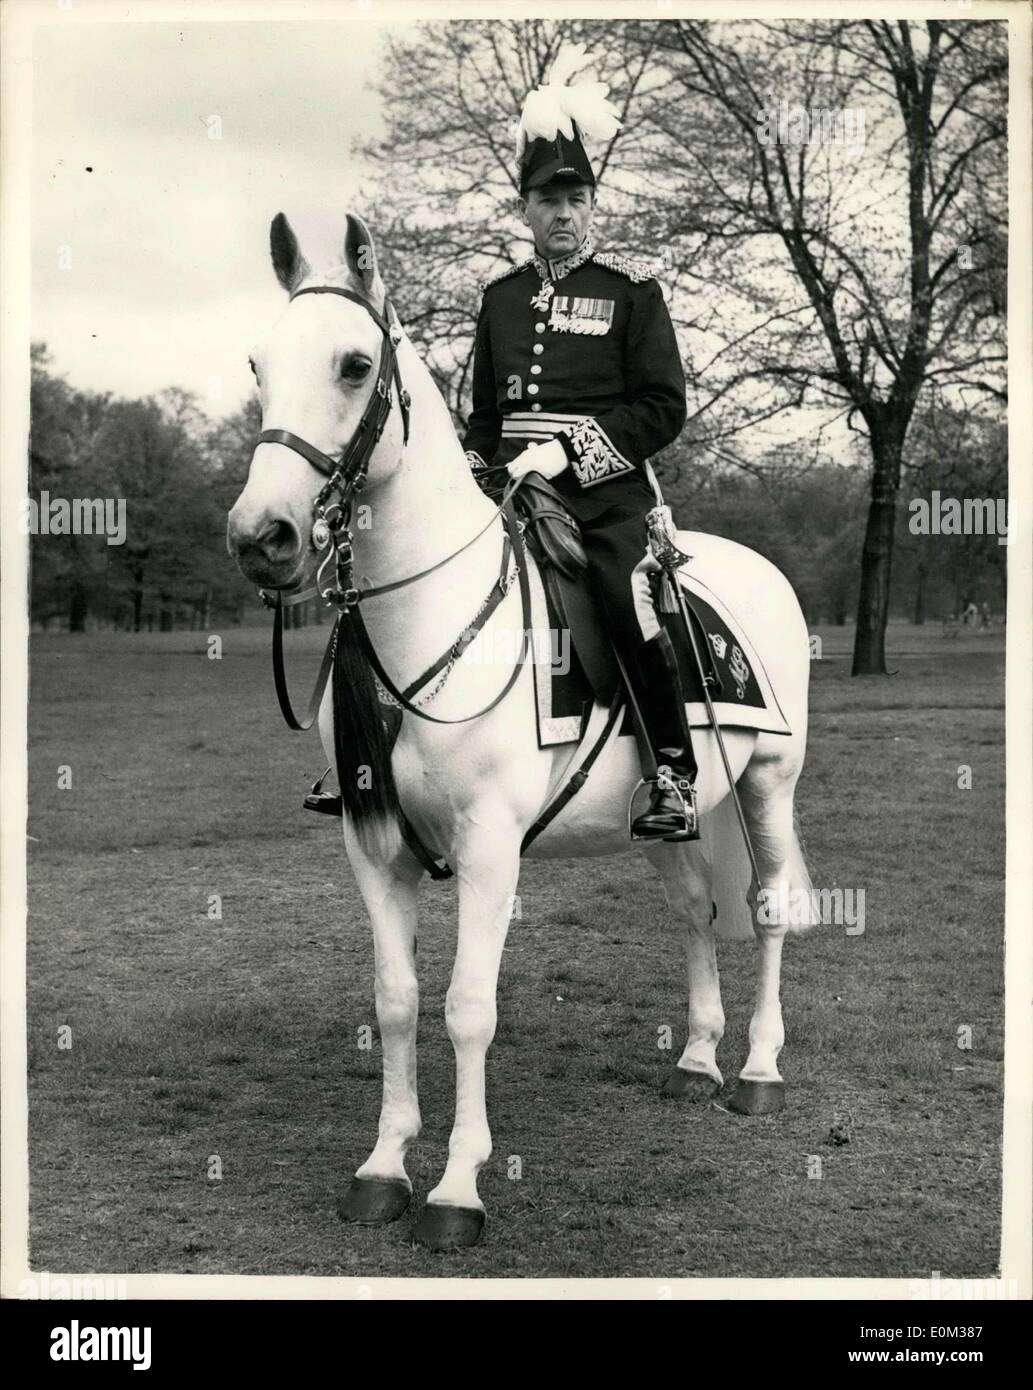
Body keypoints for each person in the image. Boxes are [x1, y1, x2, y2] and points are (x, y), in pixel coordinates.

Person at [461, 46, 697, 839]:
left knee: (626, 598)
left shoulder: (630, 293)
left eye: (575, 198)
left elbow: (663, 407)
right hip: (510, 493)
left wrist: (568, 453)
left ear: (593, 206)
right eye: (546, 198)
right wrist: (474, 470)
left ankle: (670, 772)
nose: (562, 212)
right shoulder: (498, 300)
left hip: (602, 495)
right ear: (523, 209)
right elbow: (483, 421)